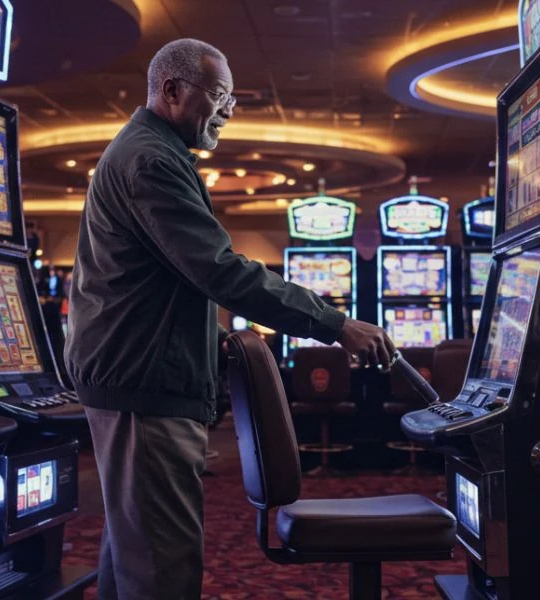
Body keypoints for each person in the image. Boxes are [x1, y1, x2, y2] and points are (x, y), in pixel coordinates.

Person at [63, 38, 395, 600]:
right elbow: (222, 272)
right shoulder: (150, 159)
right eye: (219, 95)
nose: (229, 110)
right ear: (171, 90)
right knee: (162, 572)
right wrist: (335, 325)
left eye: (232, 98)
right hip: (143, 388)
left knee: (134, 559)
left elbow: (170, 282)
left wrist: (206, 339)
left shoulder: (153, 151)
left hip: (135, 379)